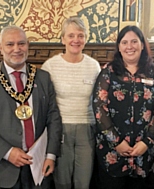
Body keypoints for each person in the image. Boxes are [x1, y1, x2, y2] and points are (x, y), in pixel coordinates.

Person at [0, 25, 62, 189]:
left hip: (38, 167)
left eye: (21, 43)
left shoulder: (42, 77)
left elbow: (53, 118)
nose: (16, 49)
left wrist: (51, 156)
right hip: (0, 168)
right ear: (0, 47)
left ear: (28, 45)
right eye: (10, 44)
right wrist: (8, 152)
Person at [92, 25, 154, 189]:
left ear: (142, 44)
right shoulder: (108, 72)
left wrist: (147, 141)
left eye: (134, 41)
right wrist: (116, 142)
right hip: (112, 151)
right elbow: (98, 107)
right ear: (119, 46)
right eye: (124, 42)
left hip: (143, 153)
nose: (129, 46)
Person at [41, 17, 101, 189]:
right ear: (63, 39)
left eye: (81, 35)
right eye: (71, 35)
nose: (76, 40)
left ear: (85, 39)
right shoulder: (50, 66)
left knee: (83, 182)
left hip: (87, 129)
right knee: (62, 181)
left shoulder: (94, 66)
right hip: (60, 129)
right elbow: (45, 103)